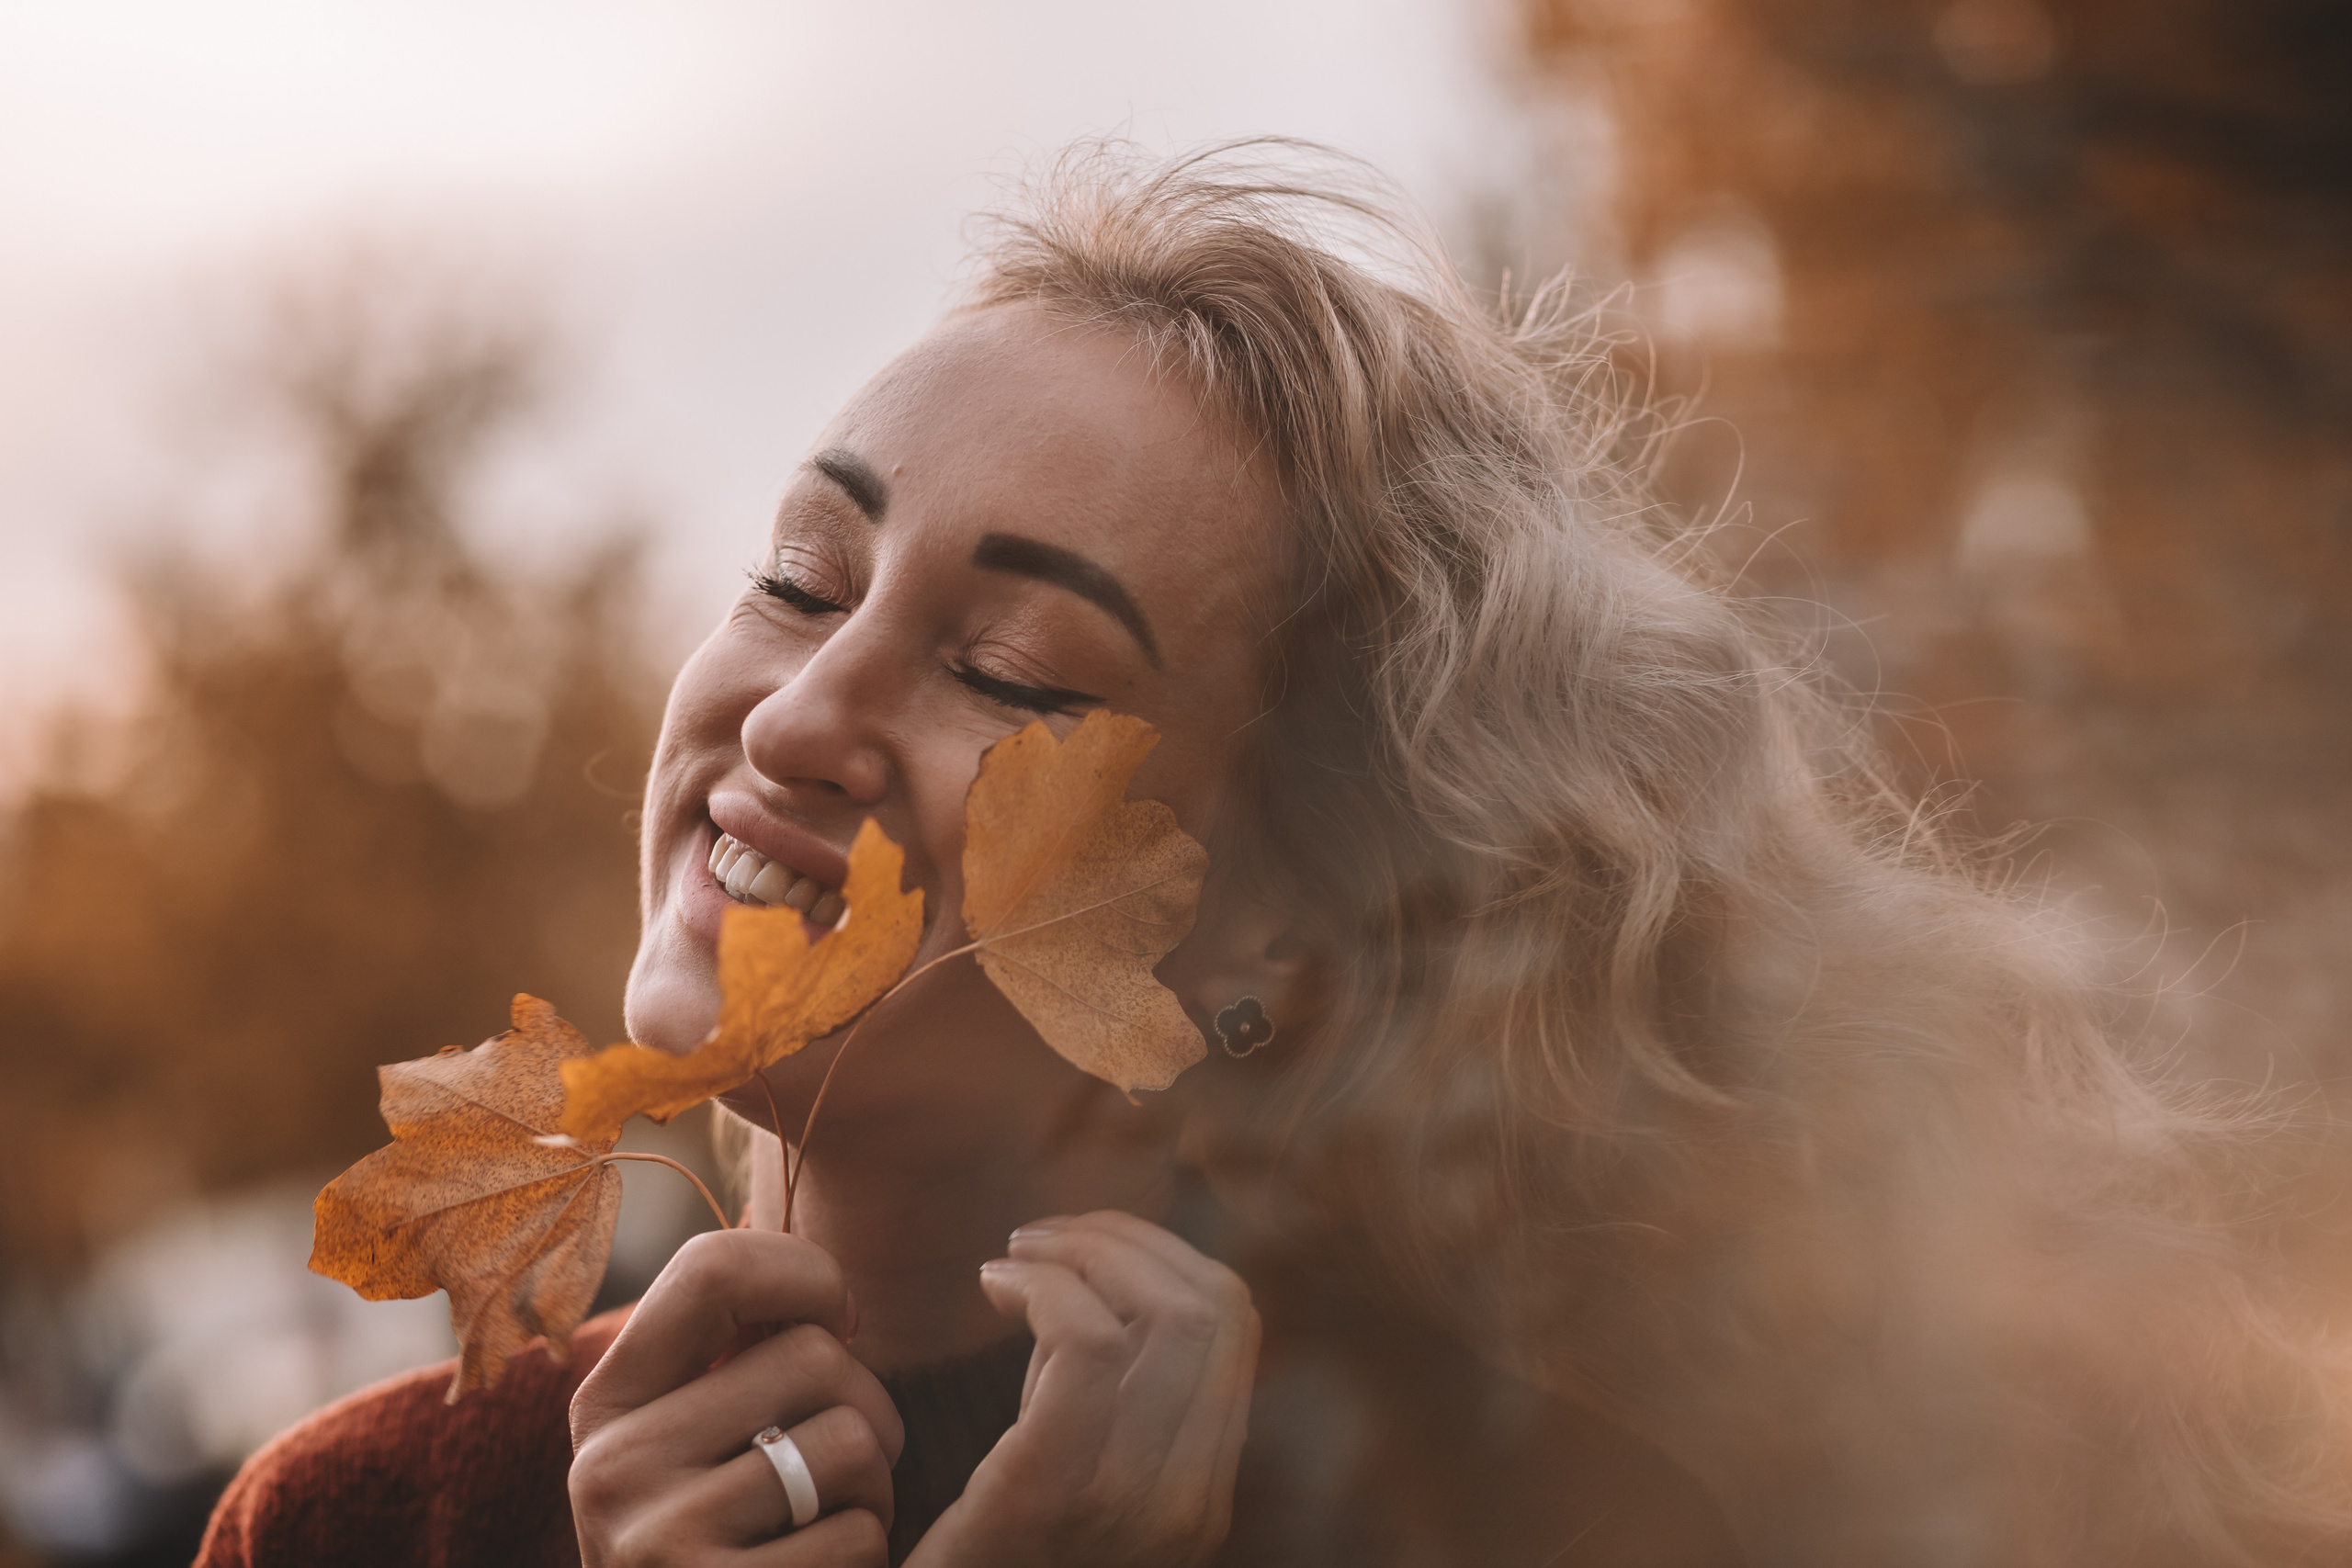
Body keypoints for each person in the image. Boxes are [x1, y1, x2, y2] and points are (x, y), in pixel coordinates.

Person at [197, 142, 2352, 1568]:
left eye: (1016, 671)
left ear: (1272, 932)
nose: (799, 711)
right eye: (799, 570)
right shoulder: (365, 1521)